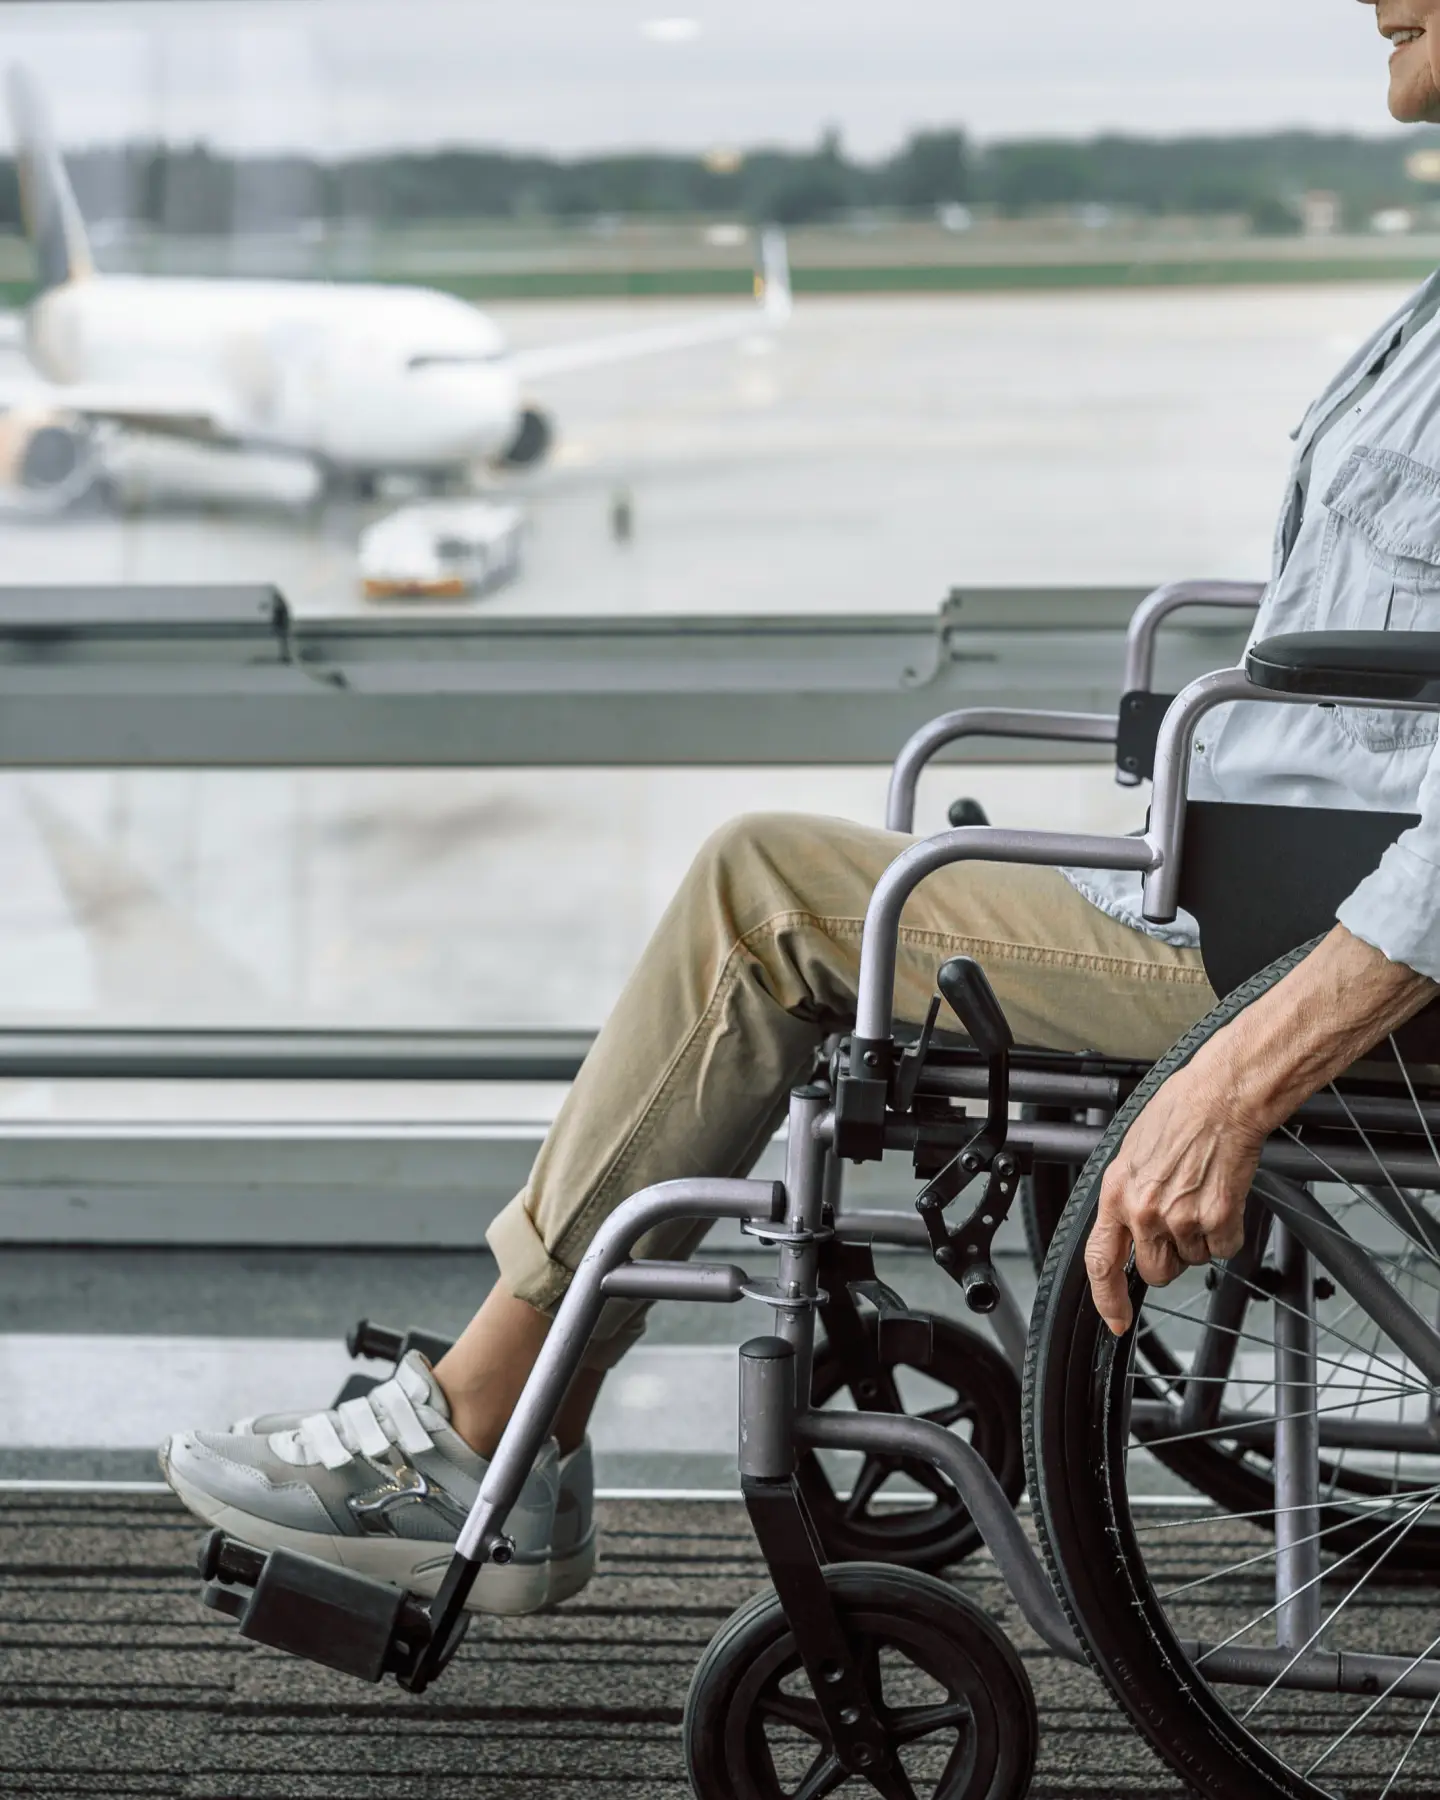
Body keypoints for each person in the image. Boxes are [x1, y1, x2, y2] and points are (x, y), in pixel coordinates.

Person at [159, 0, 1440, 1613]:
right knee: (847, 877)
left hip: (1297, 949)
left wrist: (1238, 1077)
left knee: (769, 892)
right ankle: (500, 1409)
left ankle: (484, 1427)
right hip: (1254, 894)